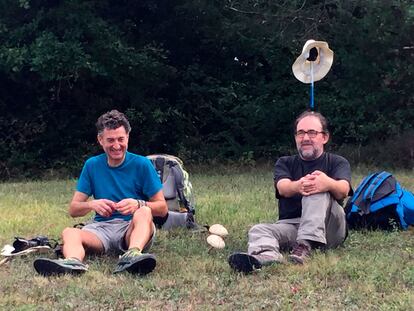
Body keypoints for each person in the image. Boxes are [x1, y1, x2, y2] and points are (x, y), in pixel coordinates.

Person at [34, 110, 168, 276]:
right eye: (110, 140)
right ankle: (73, 263)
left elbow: (162, 208)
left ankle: (133, 255)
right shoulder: (92, 165)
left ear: (128, 137)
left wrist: (138, 203)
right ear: (100, 140)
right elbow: (73, 209)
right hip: (101, 229)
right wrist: (91, 204)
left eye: (121, 139)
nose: (116, 145)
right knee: (69, 232)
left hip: (131, 228)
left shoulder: (142, 164)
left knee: (144, 211)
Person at [228, 111, 352, 273]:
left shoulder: (337, 162)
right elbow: (283, 187)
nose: (306, 138)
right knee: (258, 229)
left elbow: (344, 190)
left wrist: (326, 183)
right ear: (295, 137)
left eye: (312, 132)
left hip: (329, 227)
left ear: (324, 137)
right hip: (293, 226)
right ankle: (266, 256)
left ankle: (305, 245)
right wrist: (299, 185)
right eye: (301, 133)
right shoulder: (284, 163)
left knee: (316, 187)